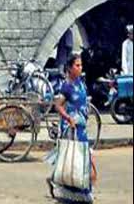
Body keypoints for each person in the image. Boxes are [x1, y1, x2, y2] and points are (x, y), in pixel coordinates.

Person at [47, 54, 97, 202]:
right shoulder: (67, 86)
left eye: (81, 65)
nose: (80, 68)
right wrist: (68, 118)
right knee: (74, 158)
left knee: (83, 158)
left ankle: (80, 189)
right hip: (72, 129)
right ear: (69, 68)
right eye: (77, 65)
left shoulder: (80, 83)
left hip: (82, 127)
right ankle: (68, 189)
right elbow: (58, 105)